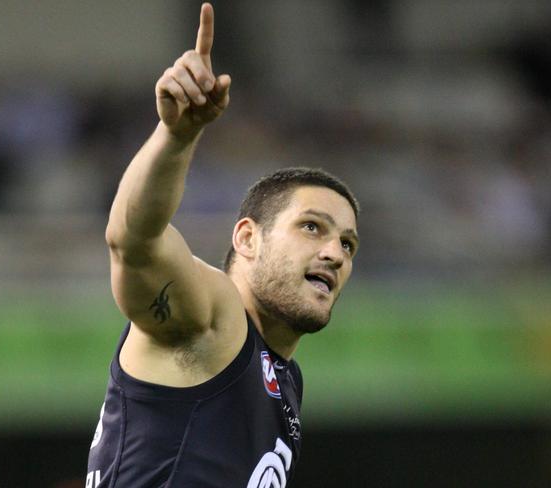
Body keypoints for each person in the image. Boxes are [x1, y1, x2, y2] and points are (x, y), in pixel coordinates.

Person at [86, 3, 360, 487]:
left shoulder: (284, 379)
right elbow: (134, 243)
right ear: (248, 238)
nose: (335, 253)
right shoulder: (213, 317)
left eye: (348, 243)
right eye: (312, 227)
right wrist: (176, 136)